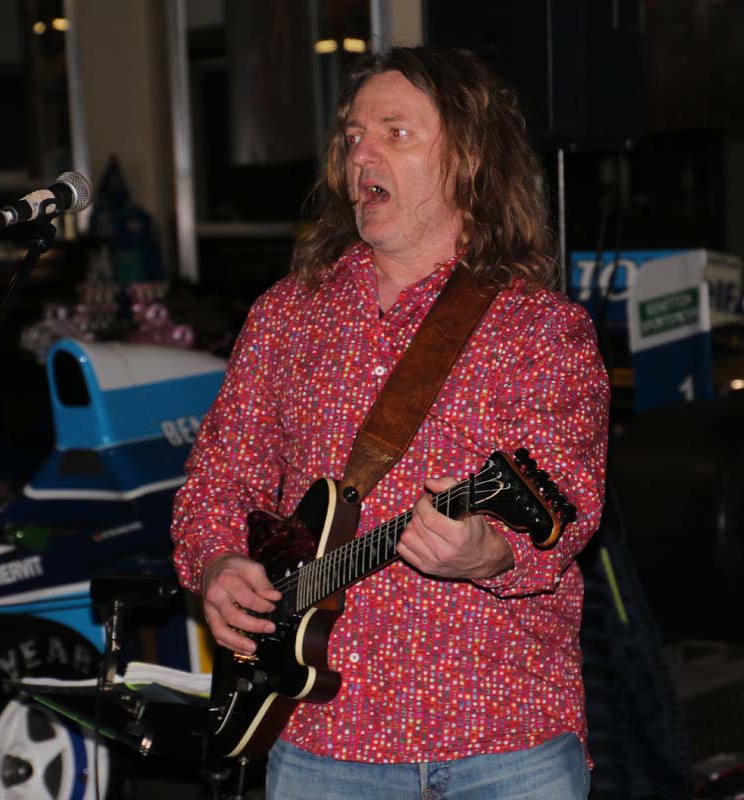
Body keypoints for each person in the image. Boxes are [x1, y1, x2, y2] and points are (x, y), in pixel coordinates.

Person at [171, 46, 609, 799]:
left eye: (394, 133)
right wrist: (216, 564)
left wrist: (490, 552)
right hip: (321, 740)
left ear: (469, 158)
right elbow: (217, 480)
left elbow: (566, 501)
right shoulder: (287, 316)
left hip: (502, 740)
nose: (360, 155)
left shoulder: (540, 330)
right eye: (352, 136)